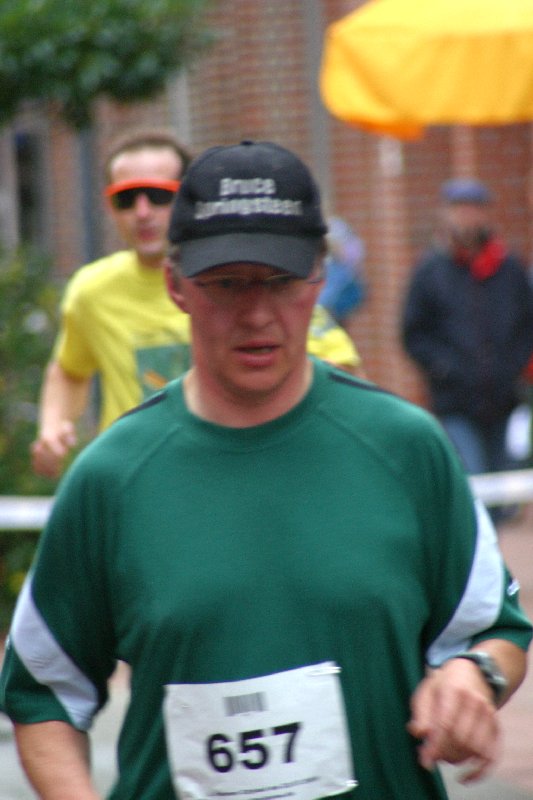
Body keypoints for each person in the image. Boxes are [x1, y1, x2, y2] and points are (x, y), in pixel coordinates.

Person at [1, 142, 530, 800]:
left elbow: (493, 629)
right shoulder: (111, 476)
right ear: (176, 285)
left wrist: (473, 676)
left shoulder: (405, 448)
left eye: (280, 279)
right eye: (226, 283)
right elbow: (44, 691)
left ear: (318, 278)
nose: (256, 312)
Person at [31, 131, 363, 480]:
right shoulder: (92, 291)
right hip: (138, 481)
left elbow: (343, 375)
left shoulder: (250, 279)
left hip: (237, 475)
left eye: (159, 196)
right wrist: (53, 427)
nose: (142, 212)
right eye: (125, 199)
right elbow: (68, 370)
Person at [401, 178, 533, 504]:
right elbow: (413, 333)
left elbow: (526, 323)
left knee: (505, 495)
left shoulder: (509, 269)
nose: (467, 218)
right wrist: (444, 368)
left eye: (474, 209)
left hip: (504, 400)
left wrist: (515, 366)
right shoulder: (430, 272)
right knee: (474, 486)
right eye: (460, 209)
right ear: (446, 214)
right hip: (455, 402)